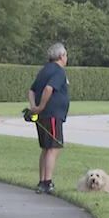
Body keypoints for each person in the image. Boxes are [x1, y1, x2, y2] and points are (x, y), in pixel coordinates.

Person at [28, 43, 70, 194]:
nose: (66, 58)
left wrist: (34, 107)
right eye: (65, 55)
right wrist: (39, 107)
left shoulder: (44, 70)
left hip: (43, 115)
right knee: (53, 148)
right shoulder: (58, 71)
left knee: (46, 148)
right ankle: (47, 182)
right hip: (52, 115)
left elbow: (32, 90)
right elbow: (48, 89)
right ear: (61, 56)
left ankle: (42, 181)